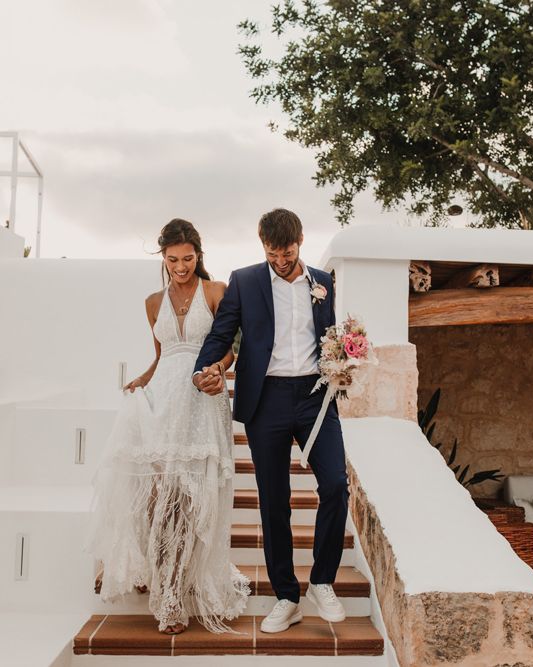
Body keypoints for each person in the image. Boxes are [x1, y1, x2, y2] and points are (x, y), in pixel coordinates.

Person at [86, 219, 249, 635]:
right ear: (163, 258)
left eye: (188, 258)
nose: (181, 266)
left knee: (188, 500)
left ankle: (173, 591)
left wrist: (217, 369)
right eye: (173, 259)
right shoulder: (152, 302)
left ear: (199, 254)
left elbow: (231, 347)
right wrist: (143, 377)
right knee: (158, 499)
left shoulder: (216, 293)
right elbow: (163, 355)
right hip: (160, 402)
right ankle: (159, 575)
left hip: (200, 401)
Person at [193, 208, 348, 634]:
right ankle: (287, 595)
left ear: (301, 241)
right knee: (273, 501)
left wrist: (342, 362)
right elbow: (222, 334)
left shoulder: (323, 282)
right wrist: (204, 368)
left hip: (315, 398)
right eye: (273, 252)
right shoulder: (245, 281)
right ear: (263, 246)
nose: (281, 260)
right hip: (267, 400)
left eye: (289, 251)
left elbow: (331, 335)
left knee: (335, 484)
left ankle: (321, 580)